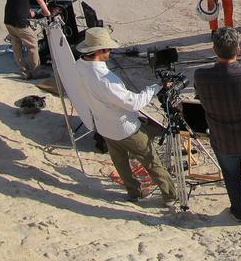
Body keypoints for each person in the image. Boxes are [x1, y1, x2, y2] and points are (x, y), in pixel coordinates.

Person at [70, 27, 180, 208]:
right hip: (124, 128)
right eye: (107, 49)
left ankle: (134, 193)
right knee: (151, 160)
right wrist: (155, 87)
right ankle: (170, 196)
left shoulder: (78, 65)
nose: (110, 52)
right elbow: (134, 103)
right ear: (98, 51)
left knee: (120, 163)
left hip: (104, 126)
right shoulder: (105, 79)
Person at [193, 27, 241, 223]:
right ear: (238, 49)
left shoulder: (202, 76)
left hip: (223, 139)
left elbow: (200, 96)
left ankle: (238, 211)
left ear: (214, 49)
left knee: (231, 176)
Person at [3, 0, 51, 78]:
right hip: (20, 22)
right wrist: (47, 13)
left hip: (8, 19)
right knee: (33, 44)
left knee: (16, 44)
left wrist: (29, 12)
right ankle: (36, 71)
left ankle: (24, 71)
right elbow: (40, 1)